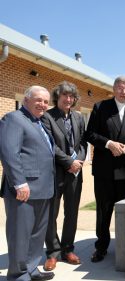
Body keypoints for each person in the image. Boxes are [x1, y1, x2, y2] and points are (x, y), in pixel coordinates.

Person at [85, 76, 125, 263]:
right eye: (120, 88)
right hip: (104, 169)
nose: (123, 91)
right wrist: (109, 144)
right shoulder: (100, 107)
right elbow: (90, 134)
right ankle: (101, 247)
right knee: (104, 210)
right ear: (114, 89)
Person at [0, 86, 55, 281]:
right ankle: (18, 274)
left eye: (46, 101)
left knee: (37, 234)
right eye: (38, 100)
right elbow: (8, 153)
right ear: (26, 100)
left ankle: (31, 269)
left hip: (43, 189)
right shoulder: (14, 119)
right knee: (20, 235)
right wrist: (19, 183)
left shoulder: (39, 122)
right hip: (24, 190)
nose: (43, 104)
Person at [41, 81, 87, 271]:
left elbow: (84, 142)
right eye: (64, 96)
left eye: (71, 96)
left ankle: (68, 249)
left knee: (72, 213)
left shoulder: (78, 117)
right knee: (51, 214)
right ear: (57, 97)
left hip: (75, 173)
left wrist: (80, 161)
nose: (68, 99)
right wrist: (69, 162)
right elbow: (50, 145)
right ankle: (53, 252)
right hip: (55, 173)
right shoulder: (47, 117)